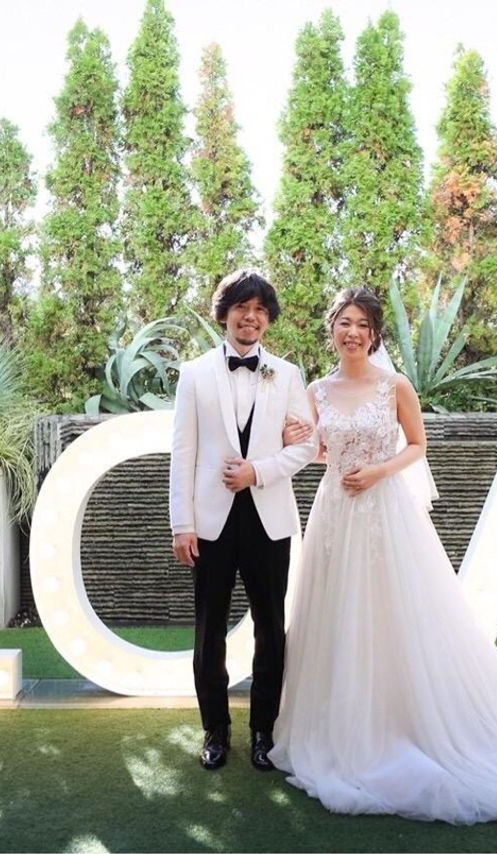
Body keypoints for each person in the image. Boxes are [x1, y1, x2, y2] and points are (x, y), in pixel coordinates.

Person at [268, 287, 497, 828]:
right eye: (344, 322)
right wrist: (303, 441)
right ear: (331, 329)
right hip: (334, 513)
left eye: (363, 324)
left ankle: (404, 719)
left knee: (396, 613)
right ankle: (339, 726)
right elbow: (315, 450)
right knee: (337, 612)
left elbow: (417, 446)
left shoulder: (395, 385)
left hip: (385, 509)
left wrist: (377, 471)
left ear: (374, 334)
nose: (352, 332)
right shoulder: (316, 390)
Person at [169, 269, 318, 772]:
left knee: (271, 629)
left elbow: (307, 446)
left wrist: (259, 471)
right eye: (241, 308)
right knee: (208, 630)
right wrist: (182, 523)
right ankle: (215, 730)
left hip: (269, 520)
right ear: (224, 315)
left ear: (267, 319)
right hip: (209, 523)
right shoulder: (193, 374)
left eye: (258, 310)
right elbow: (182, 452)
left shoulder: (287, 374)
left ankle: (263, 732)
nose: (250, 317)